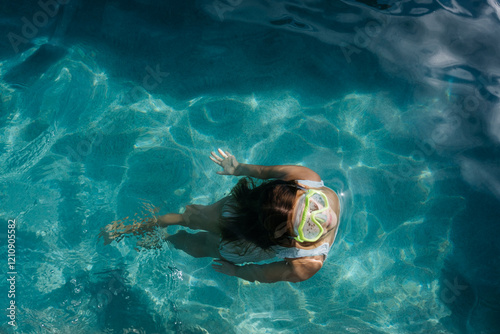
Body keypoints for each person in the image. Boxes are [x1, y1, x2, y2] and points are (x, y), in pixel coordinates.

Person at [100, 148, 341, 283]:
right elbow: (263, 273)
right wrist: (238, 169)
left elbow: (265, 173)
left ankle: (161, 236)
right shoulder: (306, 180)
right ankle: (161, 237)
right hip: (244, 226)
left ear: (289, 237)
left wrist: (241, 170)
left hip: (245, 229)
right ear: (299, 190)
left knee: (190, 219)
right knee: (198, 239)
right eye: (313, 204)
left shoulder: (309, 261)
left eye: (309, 226)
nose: (323, 216)